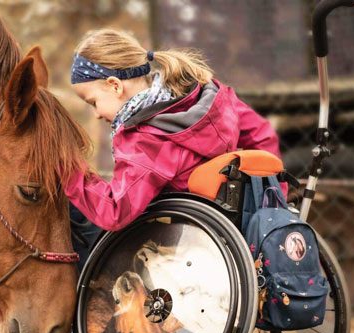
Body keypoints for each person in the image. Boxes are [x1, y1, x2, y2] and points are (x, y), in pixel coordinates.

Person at [63, 29, 285, 269]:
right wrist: (272, 197)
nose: (96, 114)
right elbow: (262, 134)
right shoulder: (208, 95)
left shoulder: (146, 139)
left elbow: (115, 210)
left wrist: (67, 169)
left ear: (115, 86)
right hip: (232, 231)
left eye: (93, 102)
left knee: (79, 222)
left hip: (179, 247)